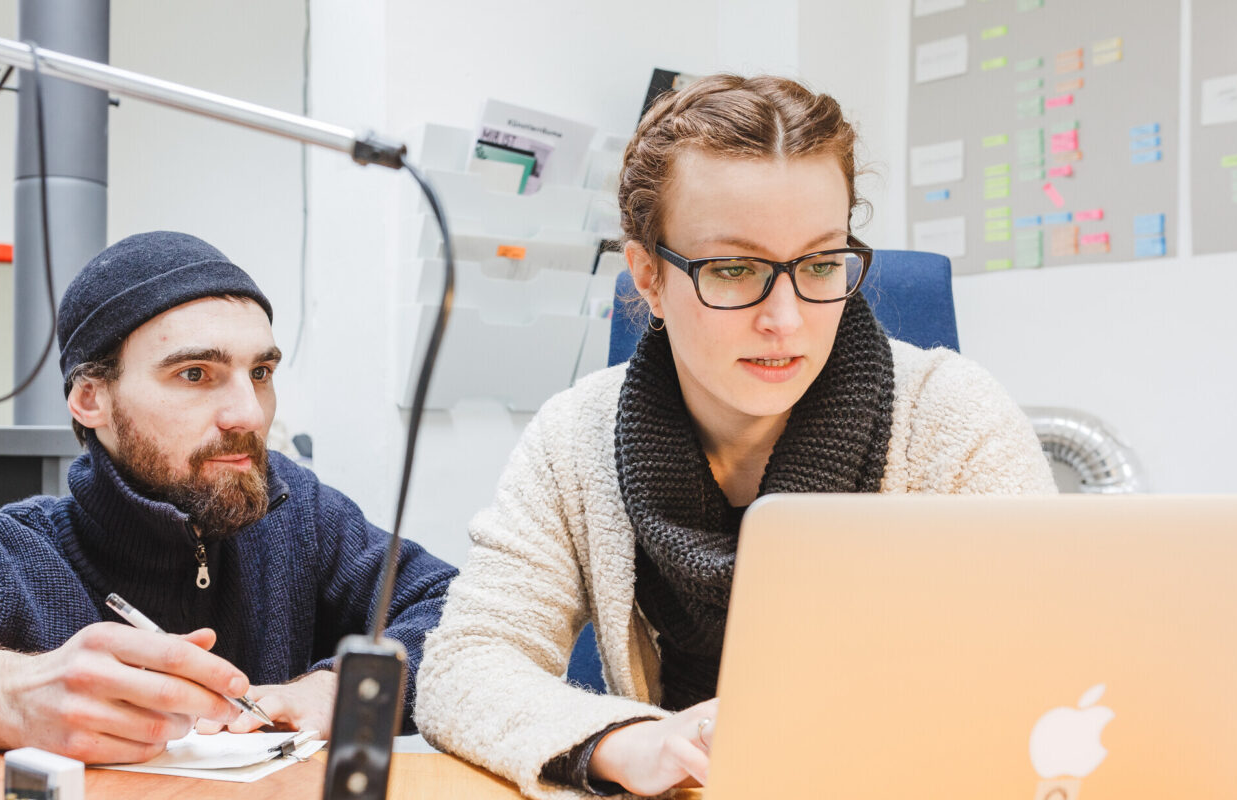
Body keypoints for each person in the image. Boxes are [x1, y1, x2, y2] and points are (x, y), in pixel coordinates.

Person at [414, 74, 1056, 798]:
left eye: (818, 264)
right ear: (649, 276)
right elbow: (465, 664)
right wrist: (630, 740)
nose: (785, 319)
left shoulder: (953, 418)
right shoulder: (573, 436)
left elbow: (1045, 668)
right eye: (734, 269)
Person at [0, 231, 457, 764]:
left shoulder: (299, 513)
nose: (250, 415)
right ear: (92, 398)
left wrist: (335, 689)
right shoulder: (9, 556)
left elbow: (463, 613)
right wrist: (6, 695)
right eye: (195, 373)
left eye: (260, 373)